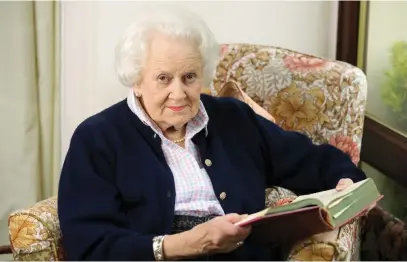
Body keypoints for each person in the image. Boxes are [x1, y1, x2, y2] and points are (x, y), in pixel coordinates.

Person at [57, 7, 367, 261]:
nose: (178, 93)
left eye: (189, 77)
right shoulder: (97, 139)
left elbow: (314, 161)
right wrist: (182, 245)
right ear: (136, 79)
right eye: (163, 78)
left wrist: (344, 181)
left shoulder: (234, 119)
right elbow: (90, 246)